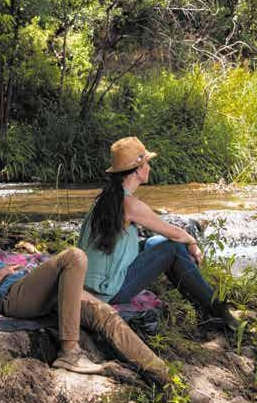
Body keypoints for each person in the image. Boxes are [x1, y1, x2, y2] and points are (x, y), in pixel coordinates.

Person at [0, 230, 172, 382]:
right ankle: (69, 352)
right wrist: (1, 274)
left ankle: (166, 379)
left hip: (34, 288)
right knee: (74, 256)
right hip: (15, 297)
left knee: (105, 314)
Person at [79, 137, 237, 328]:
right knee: (171, 247)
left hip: (89, 285)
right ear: (137, 170)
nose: (149, 168)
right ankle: (216, 310)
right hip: (107, 291)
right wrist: (192, 243)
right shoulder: (129, 204)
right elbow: (174, 234)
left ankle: (206, 308)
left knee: (155, 242)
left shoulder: (106, 199)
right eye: (147, 163)